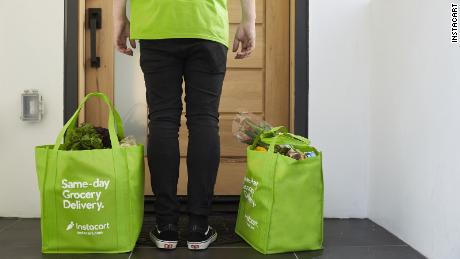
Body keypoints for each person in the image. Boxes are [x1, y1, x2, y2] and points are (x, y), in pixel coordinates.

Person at [113, 0, 256, 250]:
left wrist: (120, 19)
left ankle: (166, 226)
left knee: (162, 120)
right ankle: (198, 228)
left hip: (156, 24)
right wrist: (248, 19)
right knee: (204, 120)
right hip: (206, 23)